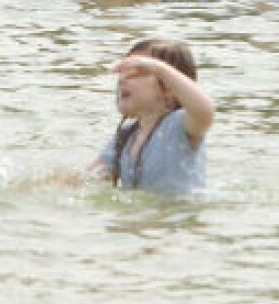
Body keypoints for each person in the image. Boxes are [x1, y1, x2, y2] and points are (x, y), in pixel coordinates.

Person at [82, 39, 213, 195]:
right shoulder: (125, 138)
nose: (123, 79)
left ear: (170, 90)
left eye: (137, 73)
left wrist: (158, 69)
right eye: (123, 72)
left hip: (180, 217)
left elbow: (205, 110)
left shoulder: (180, 126)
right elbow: (90, 177)